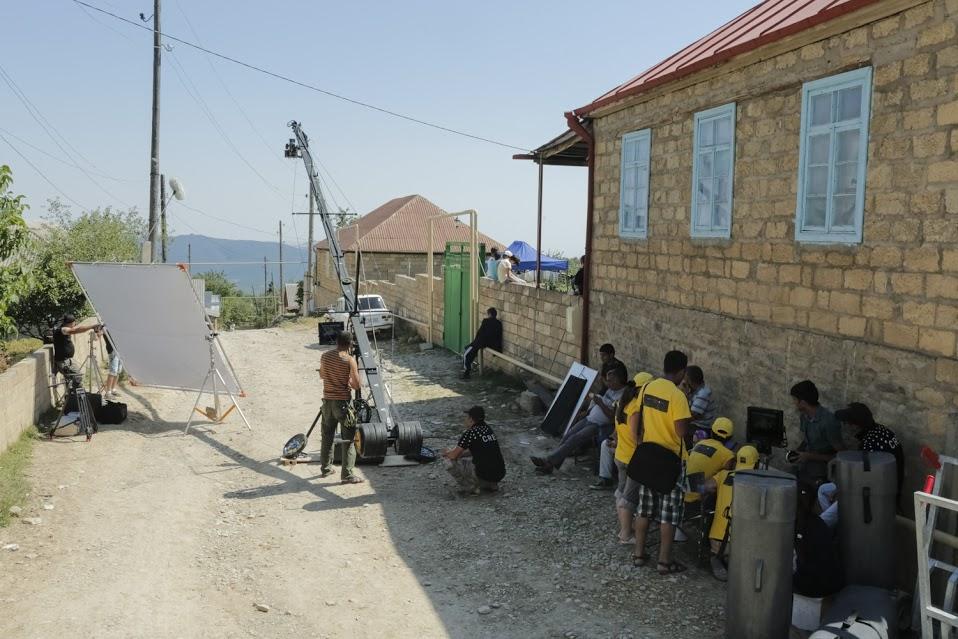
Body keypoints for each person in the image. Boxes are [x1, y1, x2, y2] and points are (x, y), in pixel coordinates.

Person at [623, 350, 692, 575]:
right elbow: (681, 432)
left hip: (649, 456)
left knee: (644, 509)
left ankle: (639, 555)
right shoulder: (678, 396)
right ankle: (664, 562)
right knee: (668, 514)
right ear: (682, 371)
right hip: (671, 460)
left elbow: (640, 420)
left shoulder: (648, 388)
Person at [816, 402, 904, 528]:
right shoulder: (881, 431)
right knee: (823, 490)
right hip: (872, 487)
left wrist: (840, 491)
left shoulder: (870, 444)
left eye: (847, 423)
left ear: (856, 425)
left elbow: (866, 480)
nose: (845, 427)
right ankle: (842, 526)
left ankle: (822, 530)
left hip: (877, 495)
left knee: (824, 519)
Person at [530, 368, 627, 474]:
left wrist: (600, 403)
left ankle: (548, 462)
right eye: (607, 380)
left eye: (610, 380)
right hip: (589, 418)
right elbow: (600, 403)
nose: (607, 383)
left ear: (618, 380)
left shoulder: (622, 395)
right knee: (568, 435)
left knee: (576, 438)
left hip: (599, 425)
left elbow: (614, 417)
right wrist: (588, 411)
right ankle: (550, 464)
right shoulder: (611, 390)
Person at [592, 372, 654, 493]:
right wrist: (615, 439)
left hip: (623, 451)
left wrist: (617, 439)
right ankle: (606, 479)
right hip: (630, 452)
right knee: (626, 494)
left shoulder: (624, 403)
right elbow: (634, 435)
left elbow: (620, 426)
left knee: (623, 491)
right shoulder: (636, 407)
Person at [707, 445, 760, 581]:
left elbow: (705, 486)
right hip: (739, 543)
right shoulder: (758, 485)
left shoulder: (723, 475)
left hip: (715, 540)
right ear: (756, 464)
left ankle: (718, 557)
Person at [318, 331, 363, 484]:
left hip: (327, 402)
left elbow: (322, 375)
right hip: (343, 403)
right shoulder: (349, 360)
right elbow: (357, 385)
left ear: (337, 342)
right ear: (350, 344)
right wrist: (349, 382)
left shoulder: (325, 356)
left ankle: (326, 469)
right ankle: (348, 474)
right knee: (348, 439)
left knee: (327, 436)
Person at [789, 380, 844, 485]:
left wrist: (809, 456)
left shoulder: (828, 422)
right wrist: (796, 453)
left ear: (803, 402)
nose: (794, 403)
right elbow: (806, 441)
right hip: (806, 465)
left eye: (795, 400)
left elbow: (841, 455)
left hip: (822, 469)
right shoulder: (804, 416)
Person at [442, 405, 506, 496]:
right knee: (483, 459)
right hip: (499, 474)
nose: (465, 420)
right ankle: (492, 485)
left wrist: (447, 453)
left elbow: (453, 456)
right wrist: (461, 455)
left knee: (448, 461)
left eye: (466, 418)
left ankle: (470, 487)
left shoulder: (470, 433)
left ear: (471, 419)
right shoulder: (488, 429)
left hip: (483, 474)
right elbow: (479, 450)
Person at [794, 485, 844, 597]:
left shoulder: (802, 527)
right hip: (831, 583)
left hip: (817, 588)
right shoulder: (816, 523)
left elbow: (803, 563)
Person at [684, 417, 735, 504]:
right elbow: (727, 477)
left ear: (711, 432)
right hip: (696, 499)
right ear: (730, 438)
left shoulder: (700, 443)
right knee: (724, 477)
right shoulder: (728, 455)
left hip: (681, 491)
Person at [52, 314, 101, 389]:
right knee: (77, 377)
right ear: (71, 323)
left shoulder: (63, 328)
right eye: (74, 323)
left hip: (66, 360)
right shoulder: (63, 329)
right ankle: (75, 395)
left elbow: (76, 328)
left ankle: (71, 395)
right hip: (64, 361)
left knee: (72, 379)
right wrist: (91, 327)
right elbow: (74, 330)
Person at [461, 308, 503, 379]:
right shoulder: (499, 323)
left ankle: (466, 373)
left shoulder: (486, 321)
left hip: (481, 342)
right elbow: (499, 336)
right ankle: (468, 368)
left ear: (489, 314)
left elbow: (480, 333)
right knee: (471, 352)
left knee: (466, 354)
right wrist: (498, 348)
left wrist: (474, 343)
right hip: (492, 345)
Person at [685, 365, 717, 444]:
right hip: (694, 425)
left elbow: (692, 416)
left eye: (685, 379)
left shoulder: (703, 394)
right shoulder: (694, 390)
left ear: (690, 381)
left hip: (701, 428)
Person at [103, 330, 121, 398]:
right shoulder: (106, 327)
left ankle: (113, 389)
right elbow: (99, 333)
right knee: (113, 371)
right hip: (113, 350)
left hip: (119, 349)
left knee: (118, 371)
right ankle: (108, 392)